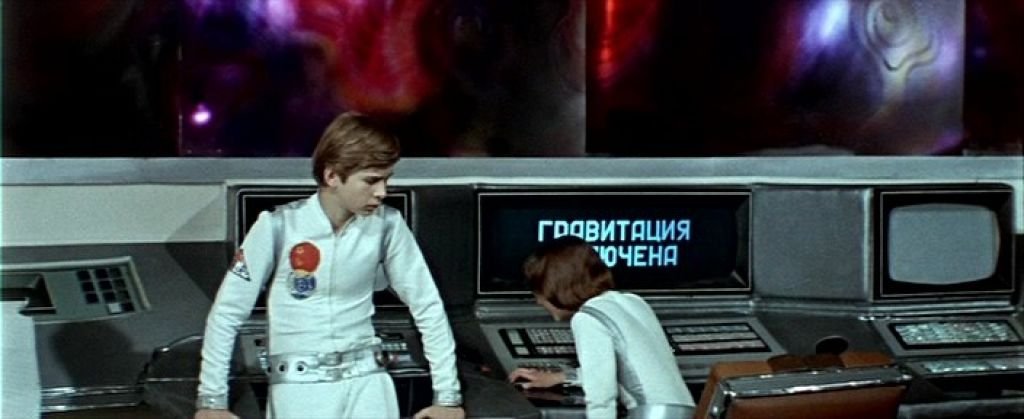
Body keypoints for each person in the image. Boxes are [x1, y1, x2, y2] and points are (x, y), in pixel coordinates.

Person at [195, 112, 465, 419]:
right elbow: (227, 313)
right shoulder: (277, 227)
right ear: (332, 176)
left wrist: (447, 396)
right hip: (300, 393)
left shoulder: (388, 226)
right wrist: (212, 402)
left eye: (386, 179)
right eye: (371, 180)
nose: (382, 192)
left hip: (369, 387)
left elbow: (427, 305)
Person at [507, 235, 695, 419]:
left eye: (538, 291)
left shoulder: (587, 318)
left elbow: (601, 397)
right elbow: (614, 370)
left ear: (554, 286)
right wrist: (560, 377)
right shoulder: (633, 301)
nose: (539, 301)